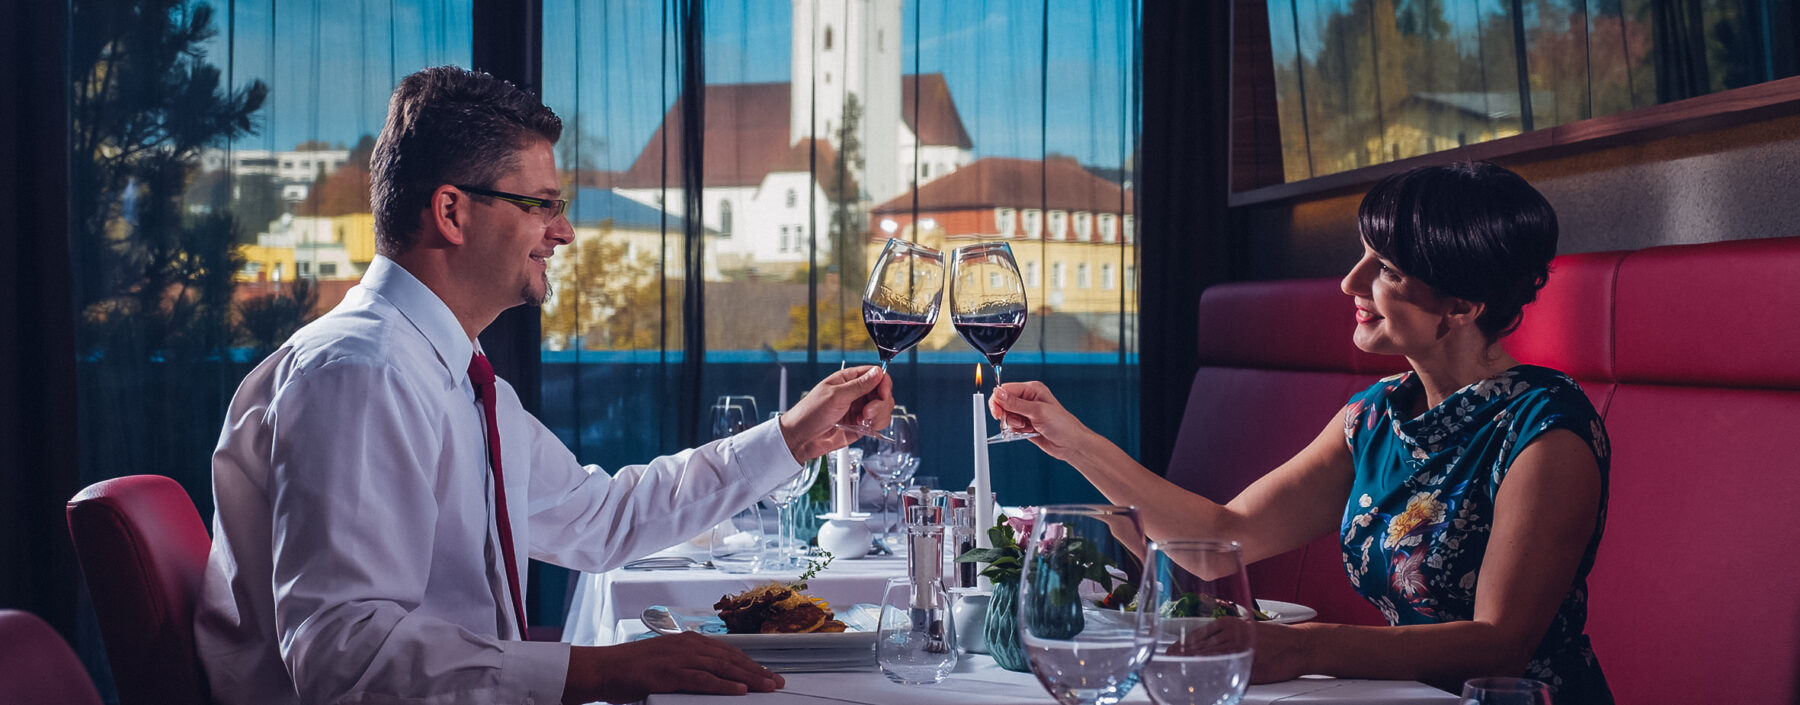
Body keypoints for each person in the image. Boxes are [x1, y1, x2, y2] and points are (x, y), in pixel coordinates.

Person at [195, 66, 893, 705]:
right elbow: (343, 658)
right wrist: (596, 671)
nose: (563, 232)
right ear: (451, 212)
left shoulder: (453, 373)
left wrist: (793, 436)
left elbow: (603, 517)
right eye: (541, 205)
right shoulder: (361, 374)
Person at [991, 162, 1612, 702]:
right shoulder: (1376, 415)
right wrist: (1072, 441)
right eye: (1362, 255)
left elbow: (1500, 645)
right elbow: (1219, 536)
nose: (1350, 282)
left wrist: (1302, 648)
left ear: (1463, 305)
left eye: (1387, 270)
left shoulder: (1545, 429)